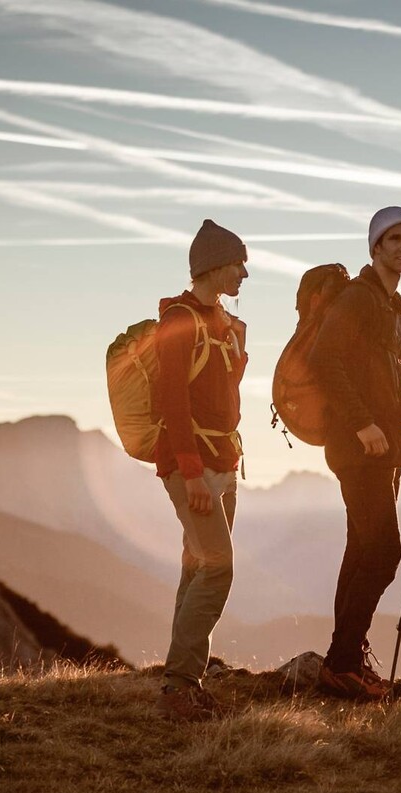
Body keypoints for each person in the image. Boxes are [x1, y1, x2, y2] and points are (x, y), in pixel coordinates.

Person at [311, 205, 401, 700]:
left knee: (362, 550)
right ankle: (342, 660)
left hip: (379, 449)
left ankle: (343, 660)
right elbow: (324, 360)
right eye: (394, 239)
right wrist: (363, 424)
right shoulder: (359, 299)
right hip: (359, 448)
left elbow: (383, 387)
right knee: (384, 552)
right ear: (375, 247)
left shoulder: (390, 306)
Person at [154, 219, 248, 722]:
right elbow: (172, 401)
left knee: (197, 565)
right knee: (218, 566)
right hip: (194, 466)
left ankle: (183, 680)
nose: (245, 275)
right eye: (239, 264)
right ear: (214, 266)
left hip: (223, 462)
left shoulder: (220, 324)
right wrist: (190, 473)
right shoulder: (181, 321)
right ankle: (177, 688)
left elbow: (220, 396)